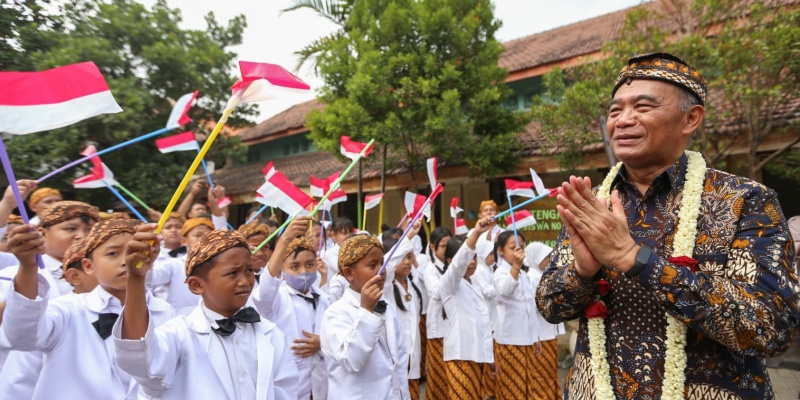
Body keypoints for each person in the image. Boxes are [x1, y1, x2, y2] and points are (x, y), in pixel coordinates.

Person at [536, 52, 799, 399]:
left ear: (690, 118)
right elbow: (550, 307)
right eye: (615, 111)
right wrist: (583, 271)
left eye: (642, 107)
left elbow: (769, 327)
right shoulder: (593, 204)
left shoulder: (744, 200)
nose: (623, 120)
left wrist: (636, 259)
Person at [0, 219, 176, 399]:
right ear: (88, 266)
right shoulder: (66, 309)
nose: (126, 261)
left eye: (138, 252)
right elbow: (22, 338)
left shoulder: (166, 312)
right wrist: (28, 267)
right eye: (113, 253)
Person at [115, 227, 299, 399]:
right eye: (232, 273)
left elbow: (287, 391)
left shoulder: (271, 334)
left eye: (249, 270)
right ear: (196, 285)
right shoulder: (179, 335)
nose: (244, 281)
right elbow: (141, 360)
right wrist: (136, 279)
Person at [320, 234, 410, 400]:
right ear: (349, 273)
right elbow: (352, 361)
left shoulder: (387, 307)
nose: (381, 271)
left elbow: (399, 362)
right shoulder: (335, 313)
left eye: (382, 263)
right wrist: (367, 311)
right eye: (372, 265)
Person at [252, 218, 330, 399]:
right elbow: (266, 286)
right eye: (294, 266)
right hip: (288, 386)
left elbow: (337, 337)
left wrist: (323, 343)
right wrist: (284, 240)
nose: (303, 271)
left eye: (309, 264)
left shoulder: (325, 300)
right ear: (282, 269)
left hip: (320, 386)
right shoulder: (276, 299)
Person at [438, 218, 497, 400]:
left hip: (476, 356)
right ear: (449, 261)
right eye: (467, 257)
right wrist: (477, 233)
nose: (471, 262)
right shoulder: (449, 283)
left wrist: (490, 358)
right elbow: (458, 265)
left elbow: (482, 323)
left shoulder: (474, 282)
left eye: (474, 257)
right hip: (460, 356)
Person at [491, 230, 542, 400]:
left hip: (526, 339)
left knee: (527, 388)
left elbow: (529, 308)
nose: (518, 252)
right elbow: (505, 290)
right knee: (512, 389)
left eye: (521, 247)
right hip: (510, 341)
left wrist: (536, 336)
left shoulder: (525, 275)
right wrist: (515, 267)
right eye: (513, 248)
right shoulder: (500, 272)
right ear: (500, 250)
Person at [381, 221, 423, 400]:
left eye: (410, 257)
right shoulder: (386, 287)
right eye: (402, 258)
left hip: (412, 360)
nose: (407, 262)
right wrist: (409, 236)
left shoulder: (413, 285)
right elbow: (387, 264)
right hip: (393, 359)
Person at [523, 242, 563, 400]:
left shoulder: (545, 276)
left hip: (549, 333)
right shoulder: (531, 278)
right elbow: (531, 308)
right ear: (535, 259)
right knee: (541, 376)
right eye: (546, 257)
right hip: (540, 335)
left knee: (549, 373)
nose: (550, 261)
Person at [421, 226, 454, 400]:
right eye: (443, 245)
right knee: (438, 373)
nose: (447, 249)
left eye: (449, 245)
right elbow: (436, 292)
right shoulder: (430, 269)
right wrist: (451, 275)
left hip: (453, 326)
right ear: (432, 247)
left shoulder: (452, 266)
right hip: (438, 328)